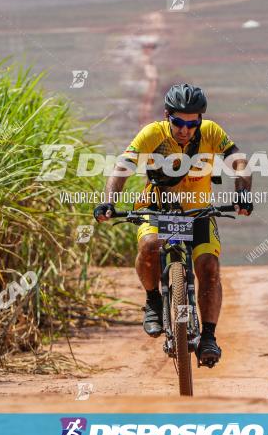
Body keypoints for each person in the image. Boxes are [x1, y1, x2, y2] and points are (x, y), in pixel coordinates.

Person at [93, 83, 253, 367]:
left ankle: (209, 337)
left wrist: (243, 193)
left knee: (209, 267)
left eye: (192, 124)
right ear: (168, 116)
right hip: (156, 208)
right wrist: (109, 201)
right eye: (178, 122)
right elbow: (122, 168)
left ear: (199, 120)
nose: (185, 129)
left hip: (198, 212)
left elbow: (239, 161)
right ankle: (153, 301)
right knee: (150, 245)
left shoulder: (212, 132)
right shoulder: (152, 134)